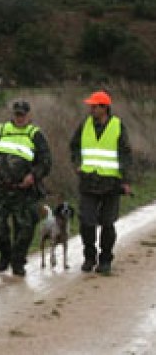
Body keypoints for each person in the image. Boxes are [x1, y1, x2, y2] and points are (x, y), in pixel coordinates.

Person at [0, 100, 52, 276]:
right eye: (17, 114)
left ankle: (18, 261)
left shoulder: (35, 134)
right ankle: (5, 254)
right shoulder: (1, 131)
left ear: (29, 115)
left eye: (23, 114)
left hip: (24, 191)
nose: (19, 117)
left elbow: (46, 161)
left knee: (25, 229)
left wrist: (34, 176)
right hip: (0, 189)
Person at [69, 90, 132, 274]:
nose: (91, 109)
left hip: (111, 183)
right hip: (88, 182)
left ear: (105, 107)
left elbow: (125, 154)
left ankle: (105, 260)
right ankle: (89, 256)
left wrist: (125, 180)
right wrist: (77, 163)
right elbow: (74, 146)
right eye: (91, 106)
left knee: (107, 223)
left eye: (95, 106)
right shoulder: (85, 124)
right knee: (86, 222)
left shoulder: (118, 126)